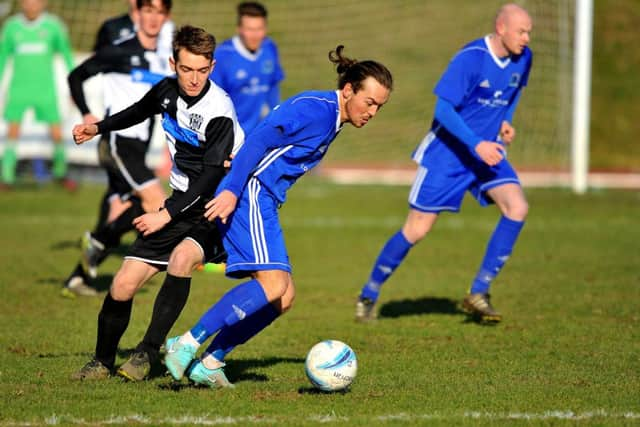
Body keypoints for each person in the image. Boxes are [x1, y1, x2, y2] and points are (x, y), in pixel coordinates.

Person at [163, 45, 392, 388]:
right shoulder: (316, 109)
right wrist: (231, 189)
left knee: (283, 297)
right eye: (369, 102)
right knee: (273, 284)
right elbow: (259, 139)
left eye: (379, 107)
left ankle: (211, 362)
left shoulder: (332, 118)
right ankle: (187, 343)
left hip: (262, 199)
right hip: (250, 194)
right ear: (348, 91)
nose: (372, 112)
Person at [70, 24, 243, 381]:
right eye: (186, 69)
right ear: (173, 63)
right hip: (182, 200)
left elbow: (211, 178)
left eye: (201, 70)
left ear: (211, 67)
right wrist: (97, 128)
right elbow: (138, 110)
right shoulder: (166, 91)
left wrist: (165, 213)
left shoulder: (219, 110)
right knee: (122, 283)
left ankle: (148, 353)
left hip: (216, 207)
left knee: (181, 261)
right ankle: (101, 362)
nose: (193, 78)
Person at [355, 3, 533, 324]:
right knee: (417, 230)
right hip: (448, 156)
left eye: (529, 32)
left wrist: (505, 120)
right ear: (501, 27)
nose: (527, 38)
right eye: (521, 31)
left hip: (486, 155)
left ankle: (479, 291)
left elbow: (514, 91)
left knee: (517, 207)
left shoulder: (524, 58)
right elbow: (443, 111)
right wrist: (476, 143)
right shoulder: (471, 59)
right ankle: (369, 292)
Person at [62, 0, 173, 297]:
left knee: (126, 210)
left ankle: (81, 270)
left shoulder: (165, 59)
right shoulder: (119, 49)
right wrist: (87, 114)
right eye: (147, 10)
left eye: (158, 12)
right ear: (138, 14)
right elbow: (76, 76)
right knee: (158, 204)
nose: (152, 18)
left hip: (140, 147)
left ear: (166, 17)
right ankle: (165, 274)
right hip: (117, 143)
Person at [0, 0, 75, 190]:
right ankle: (6, 176)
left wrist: (75, 85)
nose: (32, 5)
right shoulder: (11, 27)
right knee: (13, 131)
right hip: (19, 89)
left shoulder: (53, 26)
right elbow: (2, 58)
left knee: (56, 131)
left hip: (45, 90)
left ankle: (61, 172)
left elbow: (66, 54)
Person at [210, 1, 284, 134]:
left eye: (259, 29)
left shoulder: (269, 48)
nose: (255, 35)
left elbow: (273, 87)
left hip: (260, 136)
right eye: (250, 29)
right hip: (231, 136)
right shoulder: (222, 57)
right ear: (239, 29)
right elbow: (212, 101)